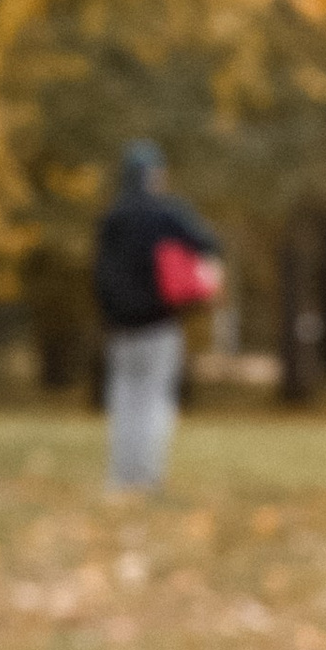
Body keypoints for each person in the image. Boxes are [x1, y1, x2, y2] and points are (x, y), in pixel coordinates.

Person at [91, 141, 222, 494]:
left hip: (119, 329)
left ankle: (120, 479)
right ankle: (146, 478)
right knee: (154, 401)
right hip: (159, 324)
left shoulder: (112, 217)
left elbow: (100, 274)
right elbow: (208, 243)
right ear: (155, 175)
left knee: (124, 401)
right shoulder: (165, 214)